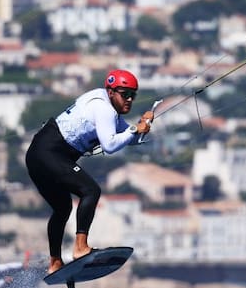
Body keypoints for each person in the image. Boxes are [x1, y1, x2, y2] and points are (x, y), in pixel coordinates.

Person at [25, 69, 154, 274]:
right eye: (125, 94)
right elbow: (111, 145)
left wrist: (144, 126)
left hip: (36, 155)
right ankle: (80, 248)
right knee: (91, 191)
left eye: (133, 95)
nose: (129, 99)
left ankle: (55, 262)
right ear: (111, 92)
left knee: (63, 208)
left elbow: (127, 137)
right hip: (50, 152)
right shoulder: (104, 108)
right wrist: (134, 130)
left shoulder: (108, 106)